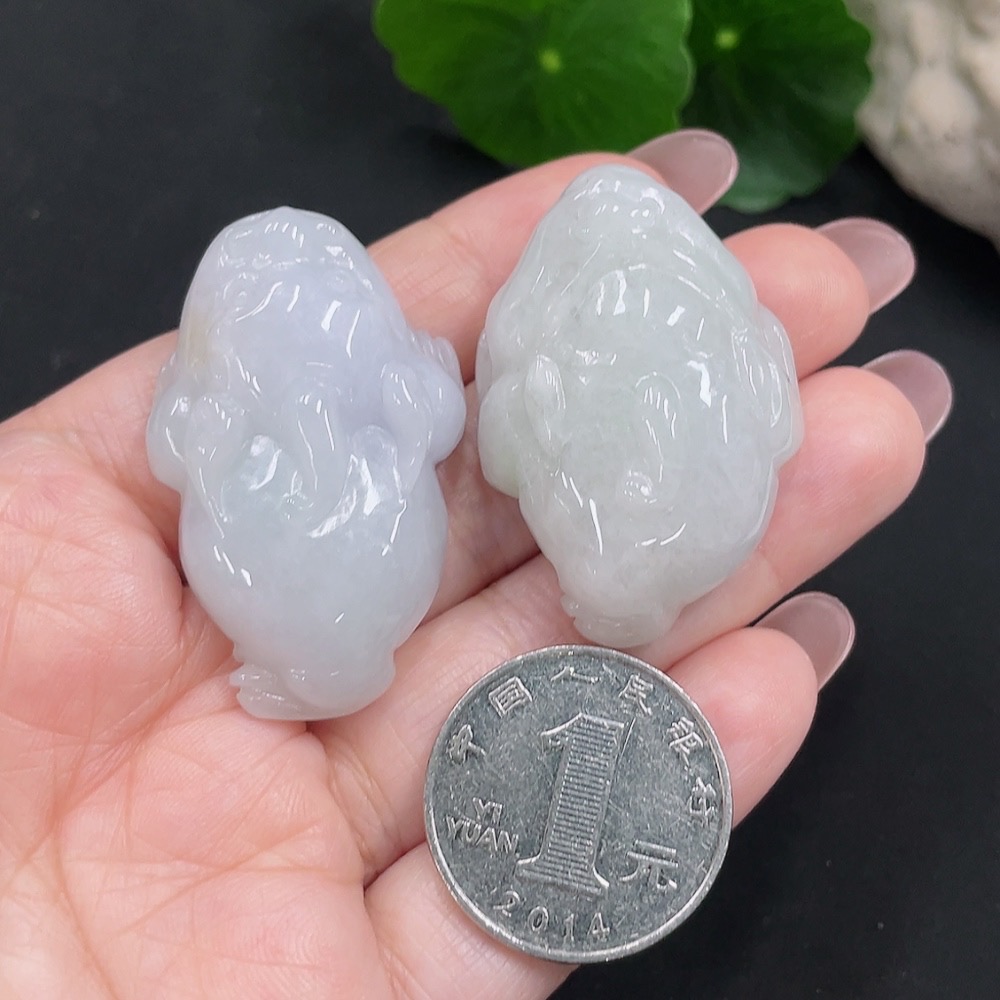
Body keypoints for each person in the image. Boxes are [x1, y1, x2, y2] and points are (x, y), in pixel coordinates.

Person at [0, 131, 950, 997]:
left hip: (424, 554)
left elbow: (483, 432)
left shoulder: (476, 354)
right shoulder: (264, 387)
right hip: (327, 570)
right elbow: (477, 436)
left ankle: (365, 645)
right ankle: (328, 656)